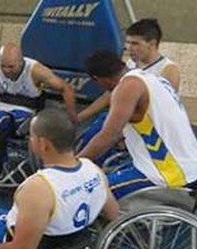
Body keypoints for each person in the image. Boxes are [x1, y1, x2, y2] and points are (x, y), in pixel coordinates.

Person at [0, 109, 118, 249]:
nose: (30, 140)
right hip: (70, 242)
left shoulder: (38, 188)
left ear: (43, 144)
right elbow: (112, 213)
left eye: (31, 136)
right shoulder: (94, 170)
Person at [78, 50, 197, 199]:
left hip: (169, 173)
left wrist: (75, 163)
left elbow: (108, 135)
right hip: (189, 165)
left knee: (89, 194)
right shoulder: (153, 79)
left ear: (98, 79)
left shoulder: (128, 86)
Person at [0, 43, 77, 178]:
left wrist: (72, 116)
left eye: (11, 66)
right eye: (3, 66)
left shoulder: (36, 70)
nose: (6, 70)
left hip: (25, 109)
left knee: (1, 121)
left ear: (21, 61)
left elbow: (66, 88)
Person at [76, 19, 181, 164]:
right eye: (128, 43)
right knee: (94, 131)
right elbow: (111, 93)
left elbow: (162, 111)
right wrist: (80, 116)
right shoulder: (132, 64)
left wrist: (121, 133)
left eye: (135, 44)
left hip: (151, 130)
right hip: (127, 119)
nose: (129, 48)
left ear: (152, 43)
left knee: (104, 139)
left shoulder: (168, 70)